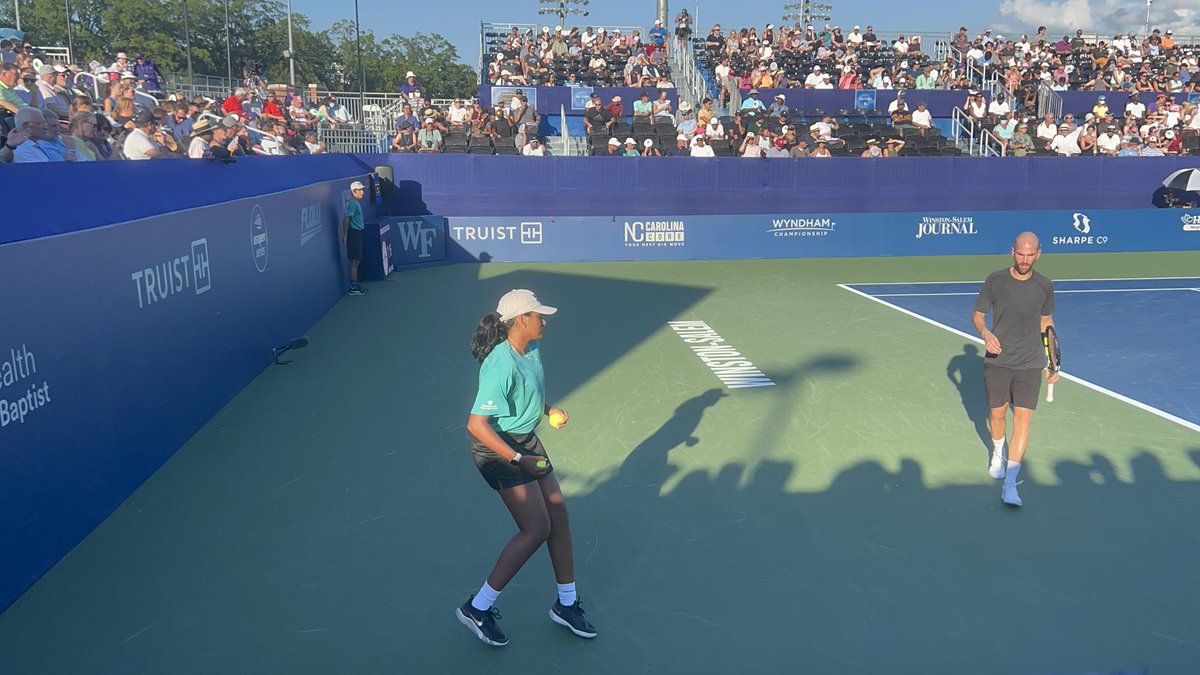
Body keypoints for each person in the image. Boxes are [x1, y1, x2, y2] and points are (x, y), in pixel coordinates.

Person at [459, 290, 596, 647]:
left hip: (525, 441)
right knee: (536, 528)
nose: (543, 320)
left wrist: (547, 409)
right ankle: (477, 608)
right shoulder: (500, 364)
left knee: (558, 515)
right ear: (521, 320)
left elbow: (528, 393)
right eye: (537, 316)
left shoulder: (531, 349)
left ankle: (566, 605)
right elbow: (477, 425)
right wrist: (518, 459)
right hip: (498, 450)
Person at [971, 232, 1057, 507]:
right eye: (1021, 253)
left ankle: (1010, 483)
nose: (1025, 259)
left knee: (1023, 421)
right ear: (1012, 252)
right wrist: (985, 333)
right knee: (997, 416)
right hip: (998, 360)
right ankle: (998, 451)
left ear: (1038, 254)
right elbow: (977, 315)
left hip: (1030, 362)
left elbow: (1046, 322)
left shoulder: (1045, 285)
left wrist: (1052, 359)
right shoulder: (995, 280)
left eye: (1030, 254)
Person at [342, 180, 368, 296]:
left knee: (356, 261)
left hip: (358, 233)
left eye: (362, 189)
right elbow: (346, 219)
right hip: (354, 234)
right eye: (360, 190)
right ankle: (353, 288)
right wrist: (346, 236)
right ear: (354, 192)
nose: (362, 192)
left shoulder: (356, 203)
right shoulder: (353, 203)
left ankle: (355, 285)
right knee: (355, 262)